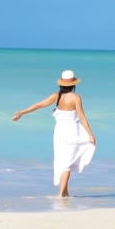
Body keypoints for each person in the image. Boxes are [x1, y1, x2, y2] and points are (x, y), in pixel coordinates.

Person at [13, 70, 96, 198]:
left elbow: (38, 105)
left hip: (59, 133)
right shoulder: (76, 98)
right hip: (72, 131)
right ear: (74, 84)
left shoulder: (56, 96)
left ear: (61, 84)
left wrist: (22, 112)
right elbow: (82, 117)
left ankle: (65, 192)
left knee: (62, 161)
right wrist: (90, 134)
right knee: (67, 163)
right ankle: (62, 193)